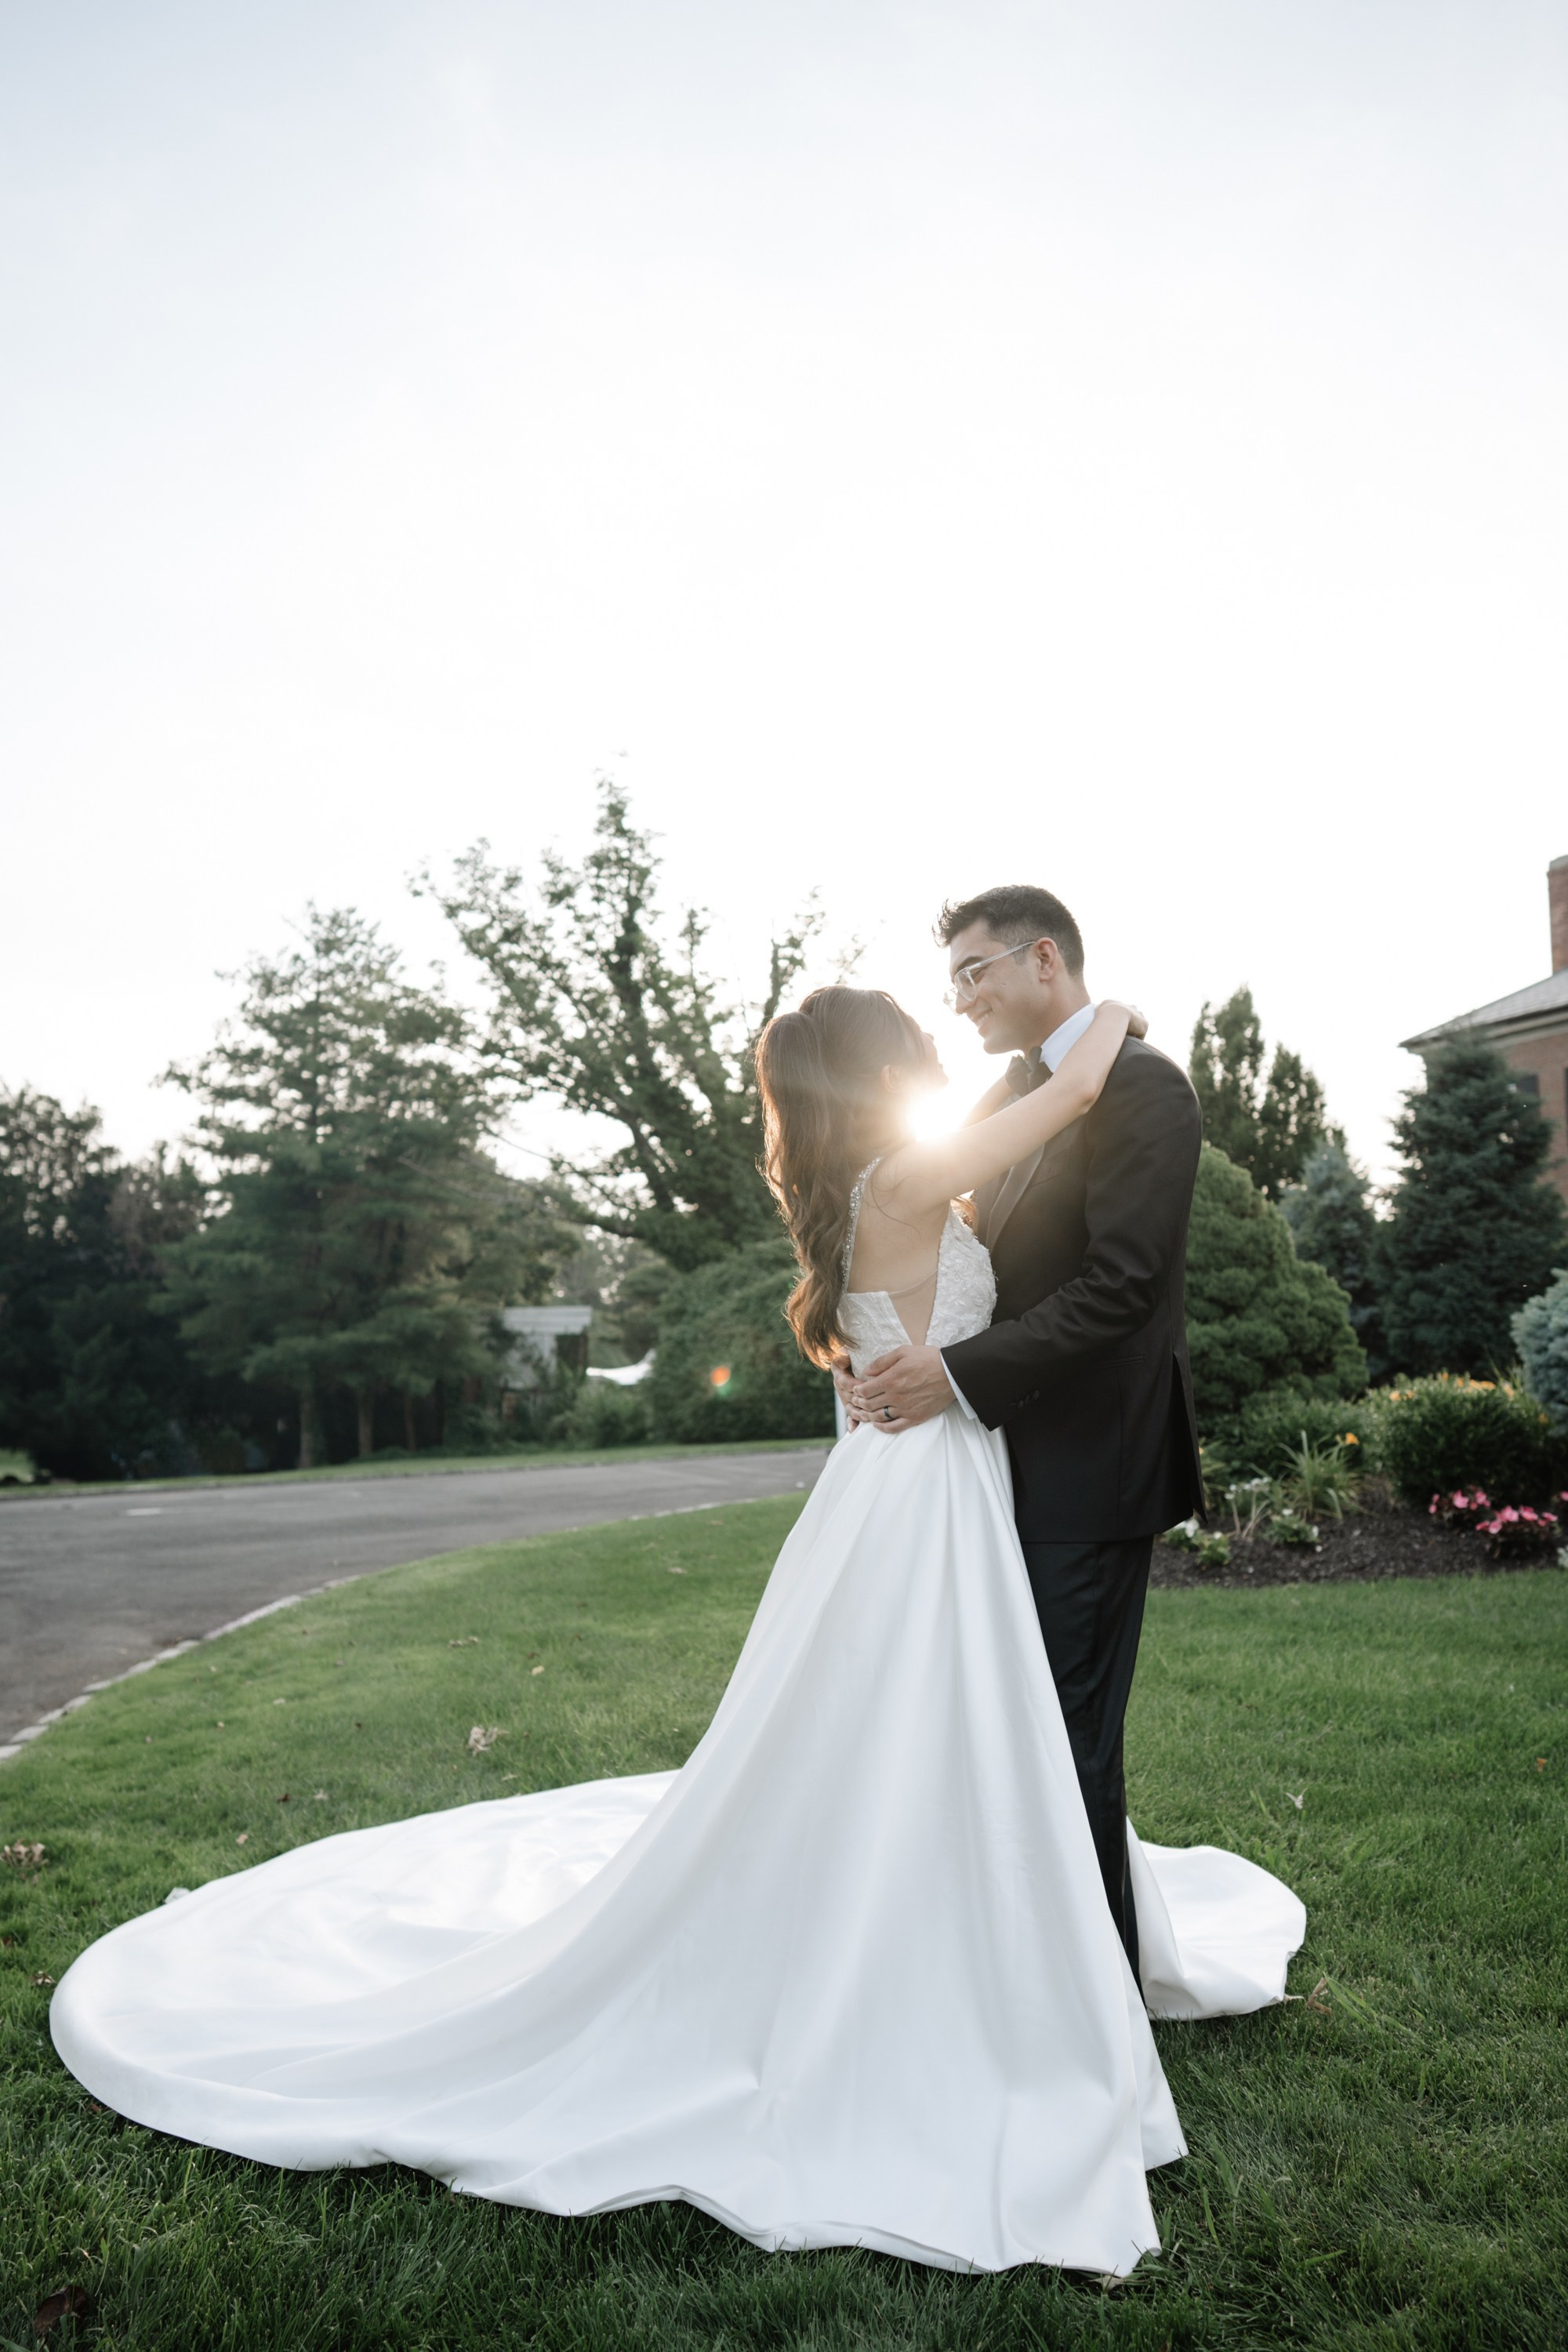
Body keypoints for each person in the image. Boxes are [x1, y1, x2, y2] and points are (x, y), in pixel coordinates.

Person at [51, 979, 1302, 2281]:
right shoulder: (912, 1173)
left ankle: (952, 1920)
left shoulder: (863, 1191)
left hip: (912, 1481)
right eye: (914, 1039)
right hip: (933, 1489)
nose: (938, 1044)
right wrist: (1114, 1010)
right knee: (946, 1721)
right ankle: (964, 1969)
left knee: (906, 1730)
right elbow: (1080, 1090)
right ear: (884, 1071)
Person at [841, 885, 1205, 1979]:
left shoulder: (1144, 1088)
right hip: (986, 1472)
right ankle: (1007, 1979)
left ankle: (1098, 2004)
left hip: (1090, 1466)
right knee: (1002, 1736)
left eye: (973, 973)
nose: (959, 1002)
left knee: (1066, 1741)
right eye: (949, 981)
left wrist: (950, 1373)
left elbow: (1123, 1288)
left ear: (1042, 959)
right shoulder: (1009, 1096)